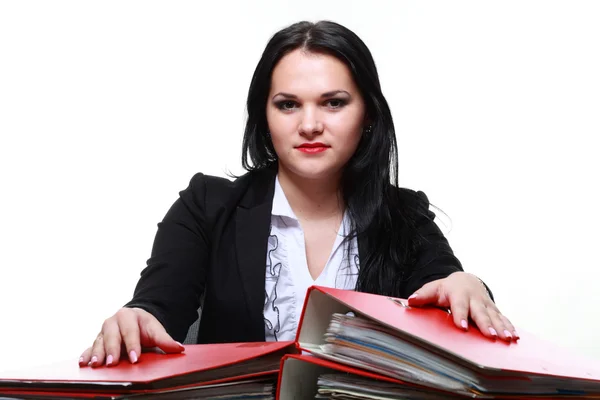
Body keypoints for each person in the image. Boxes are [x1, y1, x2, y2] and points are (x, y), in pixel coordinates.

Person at [79, 20, 517, 368]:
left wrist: (466, 284)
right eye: (288, 104)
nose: (309, 125)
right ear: (264, 115)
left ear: (367, 114)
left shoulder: (404, 214)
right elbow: (159, 309)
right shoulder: (205, 206)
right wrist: (137, 318)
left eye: (333, 102)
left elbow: (443, 283)